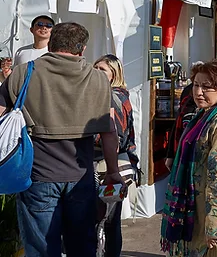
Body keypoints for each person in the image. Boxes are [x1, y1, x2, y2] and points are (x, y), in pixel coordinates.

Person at [0, 22, 123, 257]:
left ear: (51, 41)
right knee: (82, 248)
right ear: (83, 48)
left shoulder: (24, 72)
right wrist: (113, 171)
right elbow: (109, 132)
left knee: (41, 250)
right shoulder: (98, 80)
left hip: (37, 176)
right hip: (81, 177)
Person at [160, 61, 217, 257]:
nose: (199, 92)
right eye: (196, 85)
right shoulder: (204, 114)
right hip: (196, 210)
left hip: (214, 216)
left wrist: (215, 225)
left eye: (207, 86)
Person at [93, 55, 139, 257]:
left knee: (105, 221)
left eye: (102, 69)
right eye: (95, 67)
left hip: (108, 165)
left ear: (114, 74)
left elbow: (115, 136)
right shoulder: (119, 94)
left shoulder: (112, 96)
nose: (96, 71)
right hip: (115, 163)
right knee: (110, 222)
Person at [165, 62, 203, 171]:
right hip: (182, 154)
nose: (199, 92)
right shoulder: (187, 98)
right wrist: (171, 154)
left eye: (205, 85)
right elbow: (178, 123)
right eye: (196, 84)